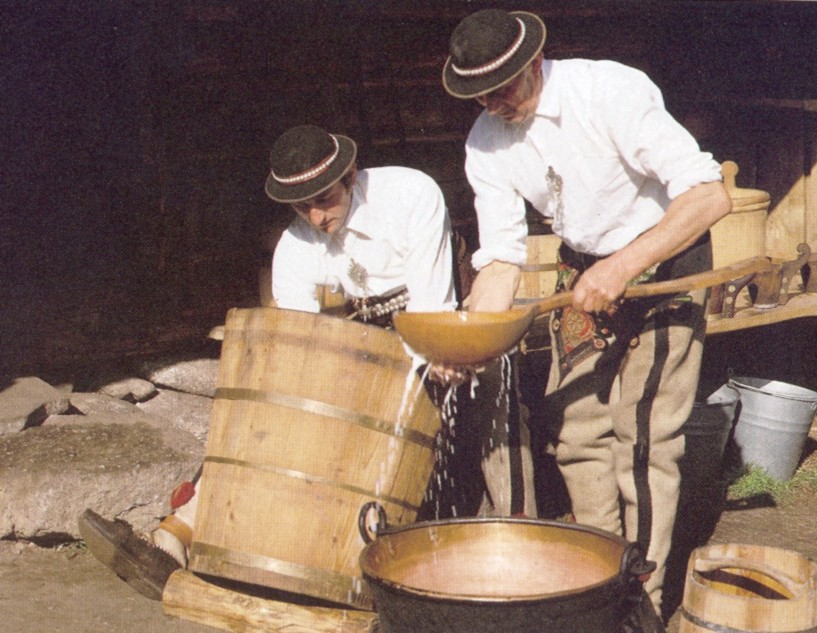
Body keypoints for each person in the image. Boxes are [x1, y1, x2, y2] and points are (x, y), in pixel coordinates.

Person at [79, 124, 535, 600]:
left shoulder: (409, 193)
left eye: (324, 199)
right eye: (302, 207)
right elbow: (300, 342)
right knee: (280, 410)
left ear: (350, 176)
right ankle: (176, 538)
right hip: (369, 343)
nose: (316, 216)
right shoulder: (296, 246)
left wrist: (435, 355)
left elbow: (430, 304)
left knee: (492, 387)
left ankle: (520, 540)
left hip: (443, 323)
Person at [441, 9, 732, 627]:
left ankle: (641, 601)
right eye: (480, 96)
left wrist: (624, 266)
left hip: (666, 259)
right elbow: (501, 261)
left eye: (502, 88)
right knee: (575, 431)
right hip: (584, 273)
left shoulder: (607, 90)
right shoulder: (485, 141)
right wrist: (469, 344)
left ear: (533, 63)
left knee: (644, 438)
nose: (493, 105)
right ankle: (601, 582)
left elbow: (709, 197)